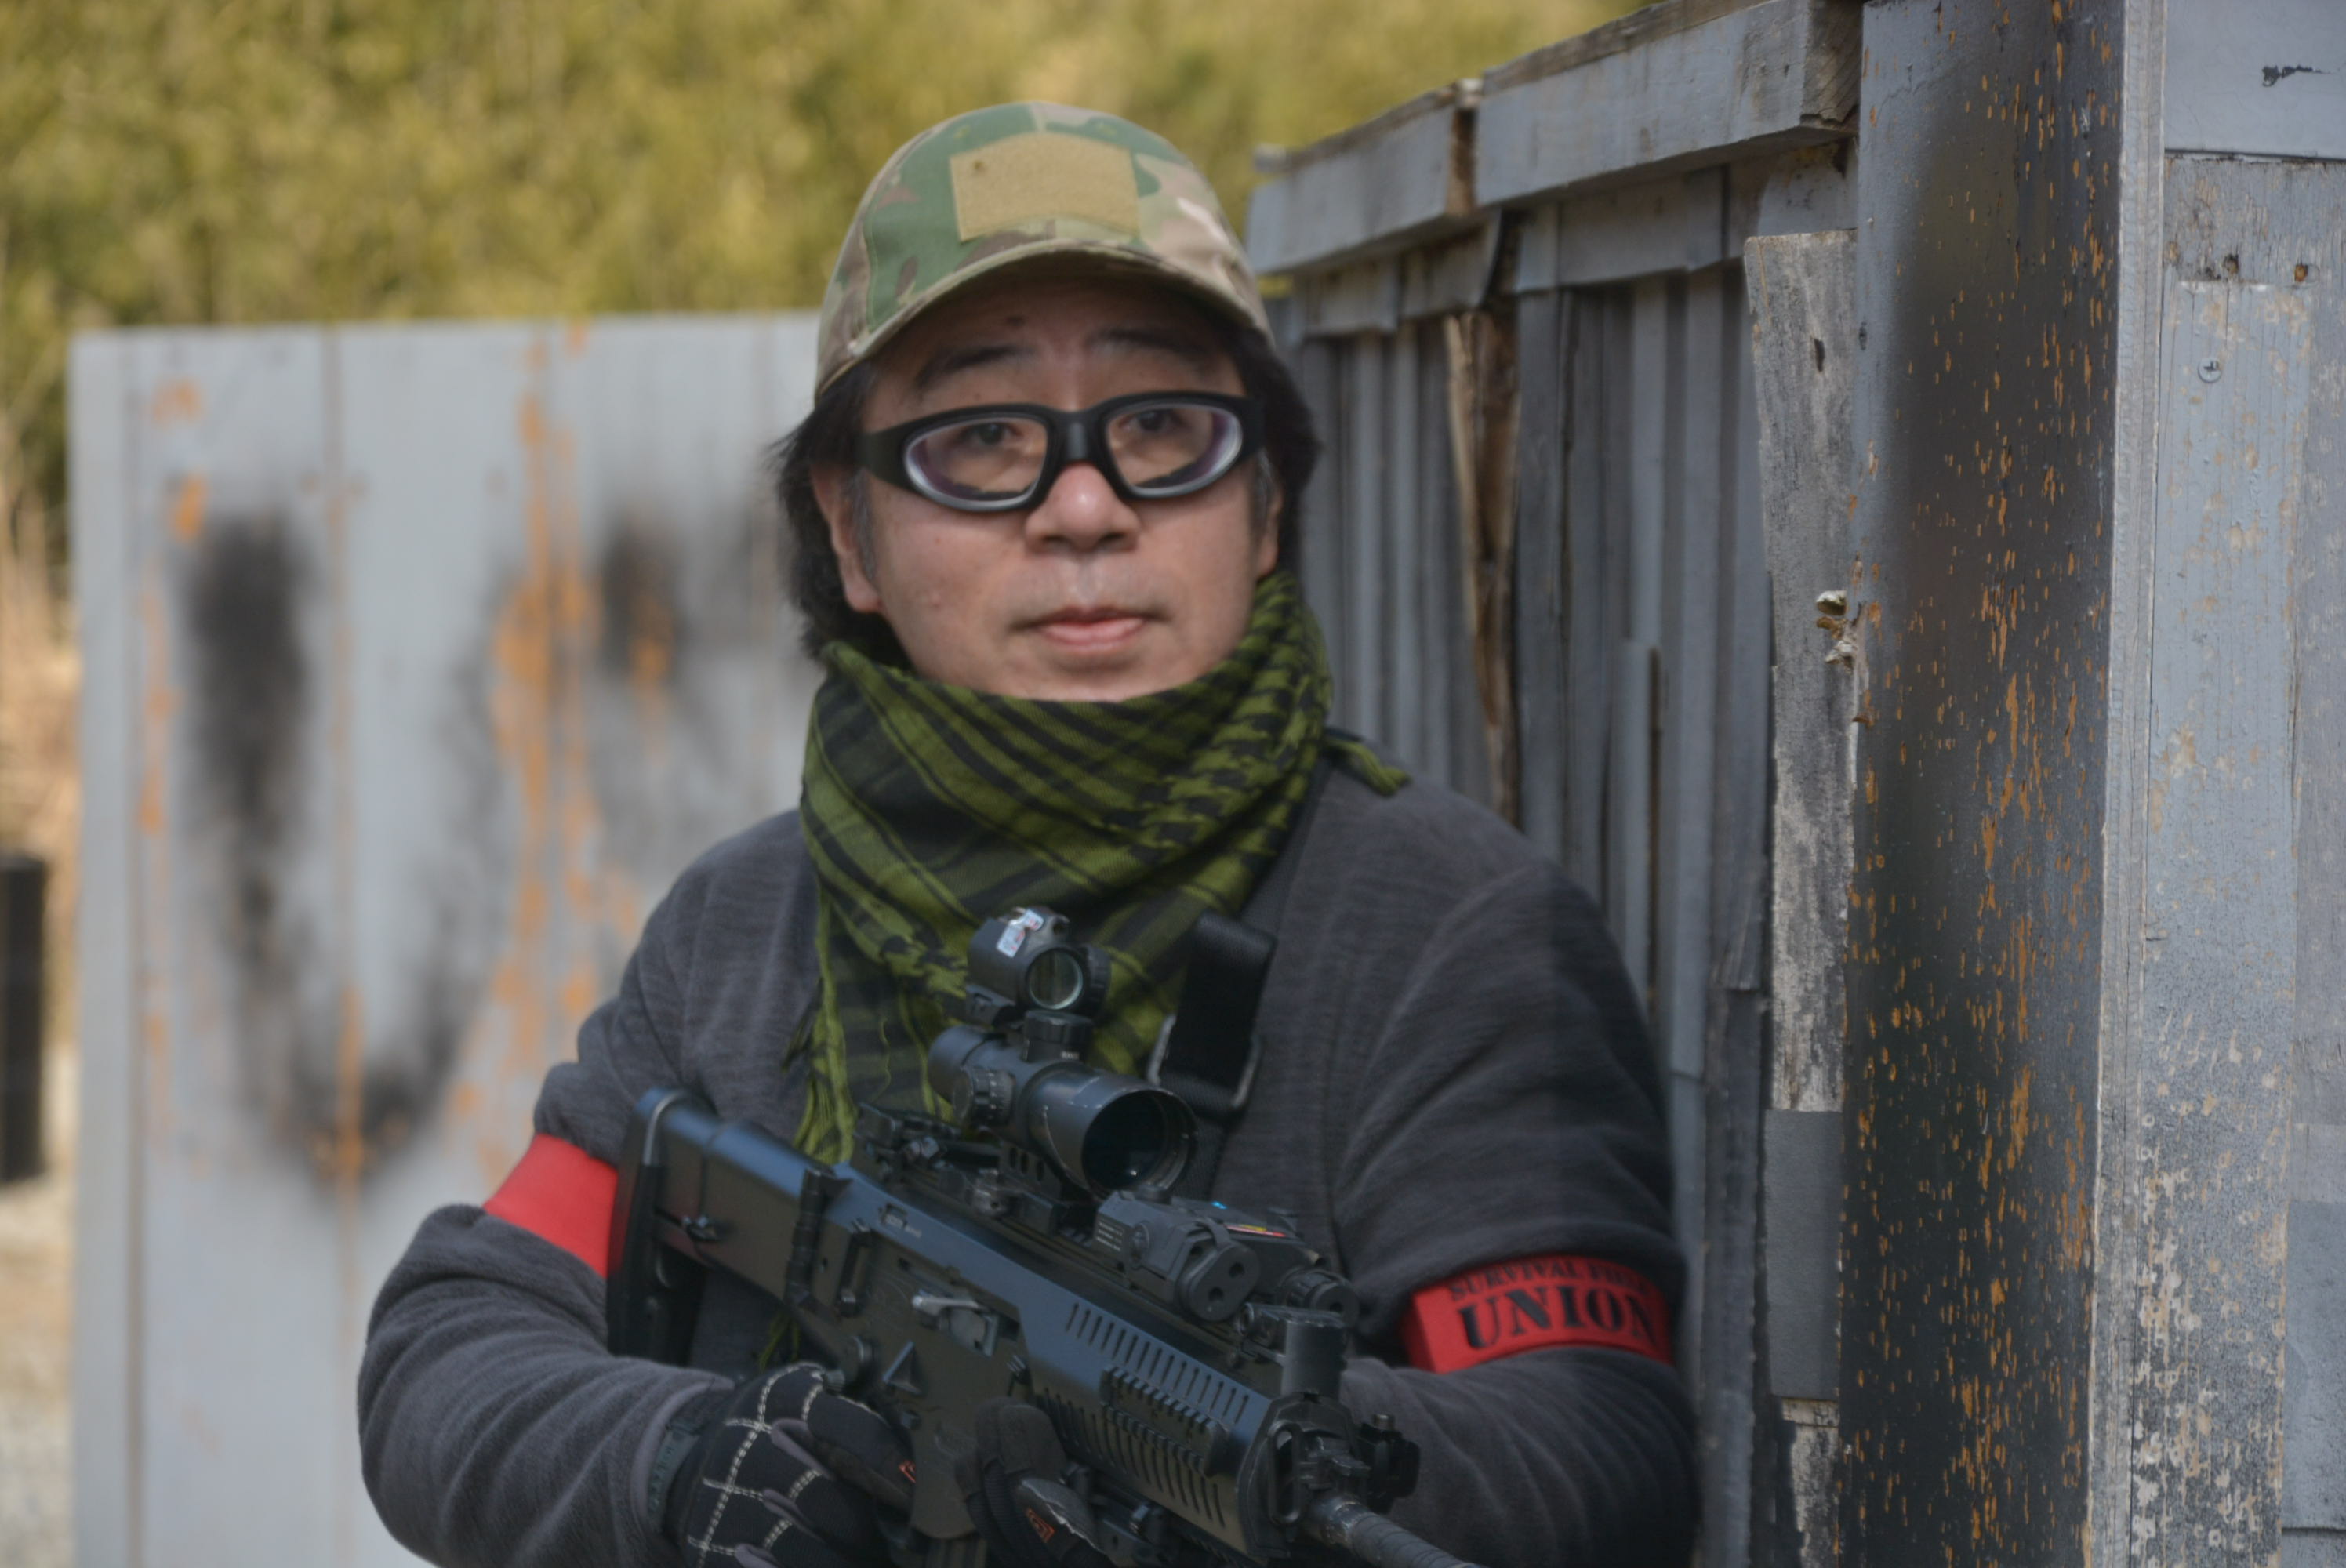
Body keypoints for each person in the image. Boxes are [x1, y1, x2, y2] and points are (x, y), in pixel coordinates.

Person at [358, 102, 1696, 1568]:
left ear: (1265, 503)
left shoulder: (1450, 930)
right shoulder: (745, 923)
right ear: (851, 530)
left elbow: (1587, 1445)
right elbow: (456, 1343)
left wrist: (1176, 1475)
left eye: (1162, 427)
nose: (1084, 507)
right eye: (984, 439)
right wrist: (679, 1463)